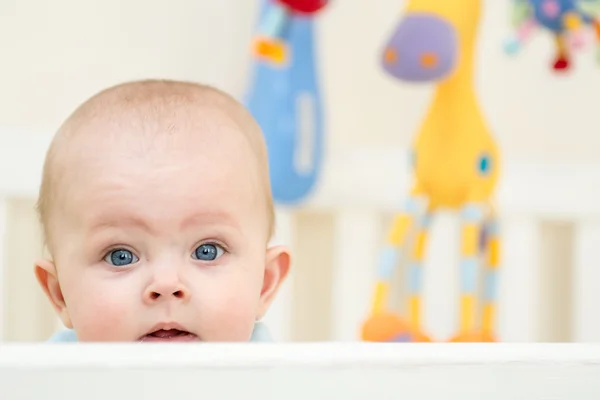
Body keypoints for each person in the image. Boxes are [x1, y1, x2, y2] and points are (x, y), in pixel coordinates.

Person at [35, 79, 291, 342]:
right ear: (60, 294)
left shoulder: (283, 378)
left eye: (207, 251)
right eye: (120, 256)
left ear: (264, 284)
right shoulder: (39, 379)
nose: (166, 285)